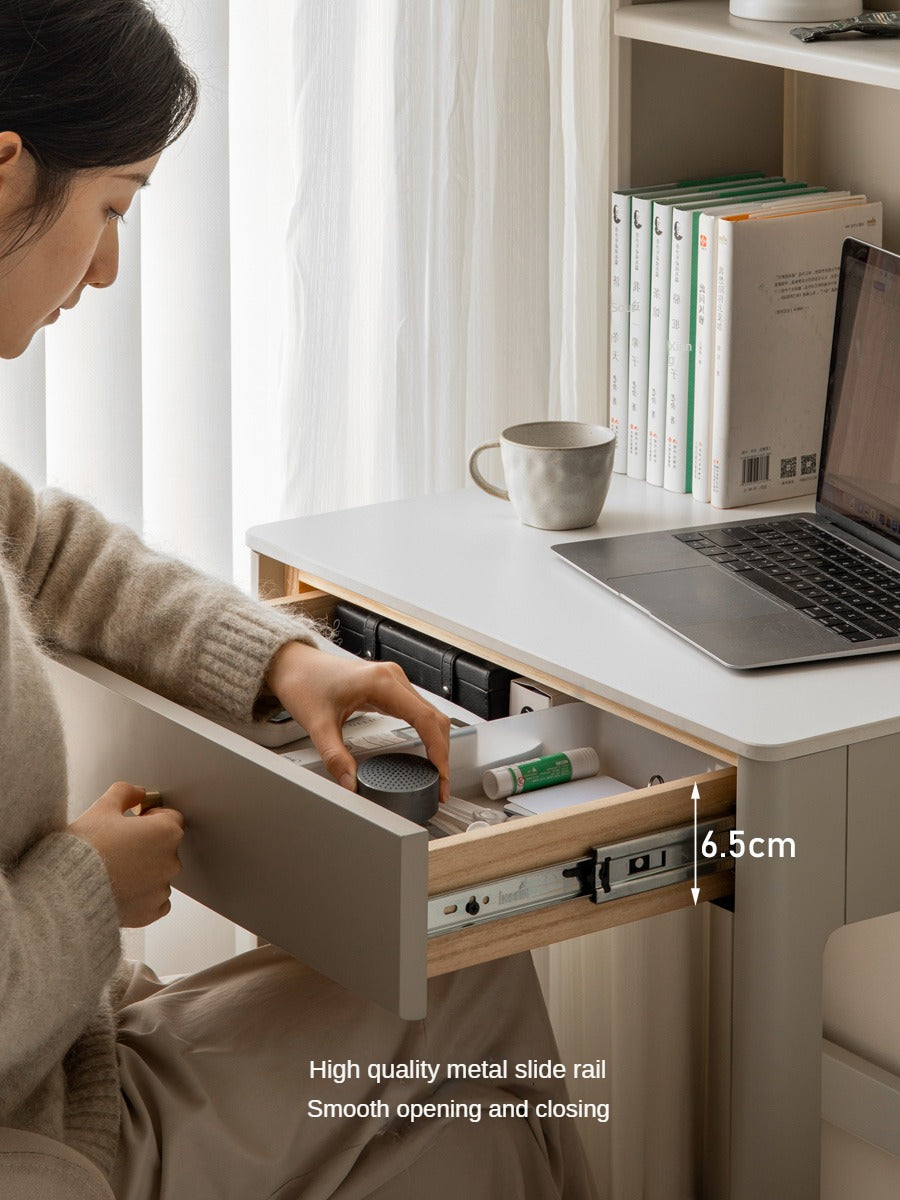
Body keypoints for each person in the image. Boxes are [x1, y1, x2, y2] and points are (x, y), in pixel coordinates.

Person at [0, 3, 598, 1198]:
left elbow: (48, 545)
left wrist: (279, 660)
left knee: (456, 1127)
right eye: (112, 208)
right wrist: (88, 888)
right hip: (48, 1136)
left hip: (59, 1061)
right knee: (469, 973)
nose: (111, 267)